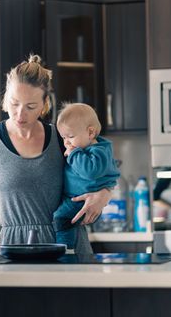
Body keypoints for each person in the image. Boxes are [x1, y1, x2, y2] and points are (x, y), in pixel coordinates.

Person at [0, 54, 112, 254]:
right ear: (6, 97)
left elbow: (102, 168)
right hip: (14, 249)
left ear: (44, 104)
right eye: (14, 103)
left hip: (67, 247)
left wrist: (105, 195)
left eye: (30, 106)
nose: (20, 114)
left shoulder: (61, 138)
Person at [53, 103, 120, 249]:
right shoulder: (85, 148)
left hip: (82, 202)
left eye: (70, 136)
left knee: (61, 219)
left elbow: (90, 171)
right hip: (75, 198)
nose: (66, 142)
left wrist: (73, 154)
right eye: (63, 137)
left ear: (90, 133)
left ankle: (66, 249)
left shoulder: (98, 152)